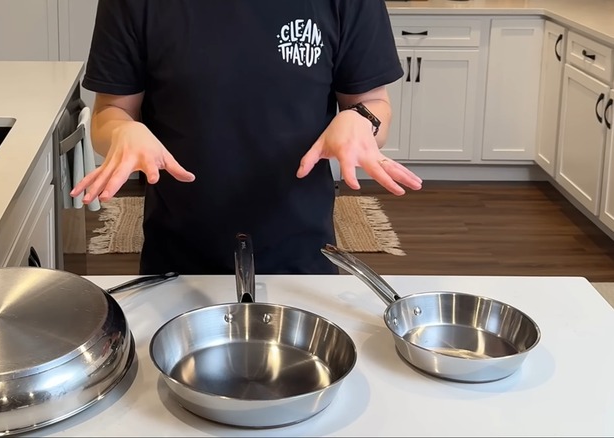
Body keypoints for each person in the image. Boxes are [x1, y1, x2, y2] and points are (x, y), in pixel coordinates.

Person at [70, 0, 423, 275]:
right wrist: (124, 130)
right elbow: (109, 113)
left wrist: (360, 120)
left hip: (300, 255)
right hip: (179, 257)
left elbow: (373, 103)